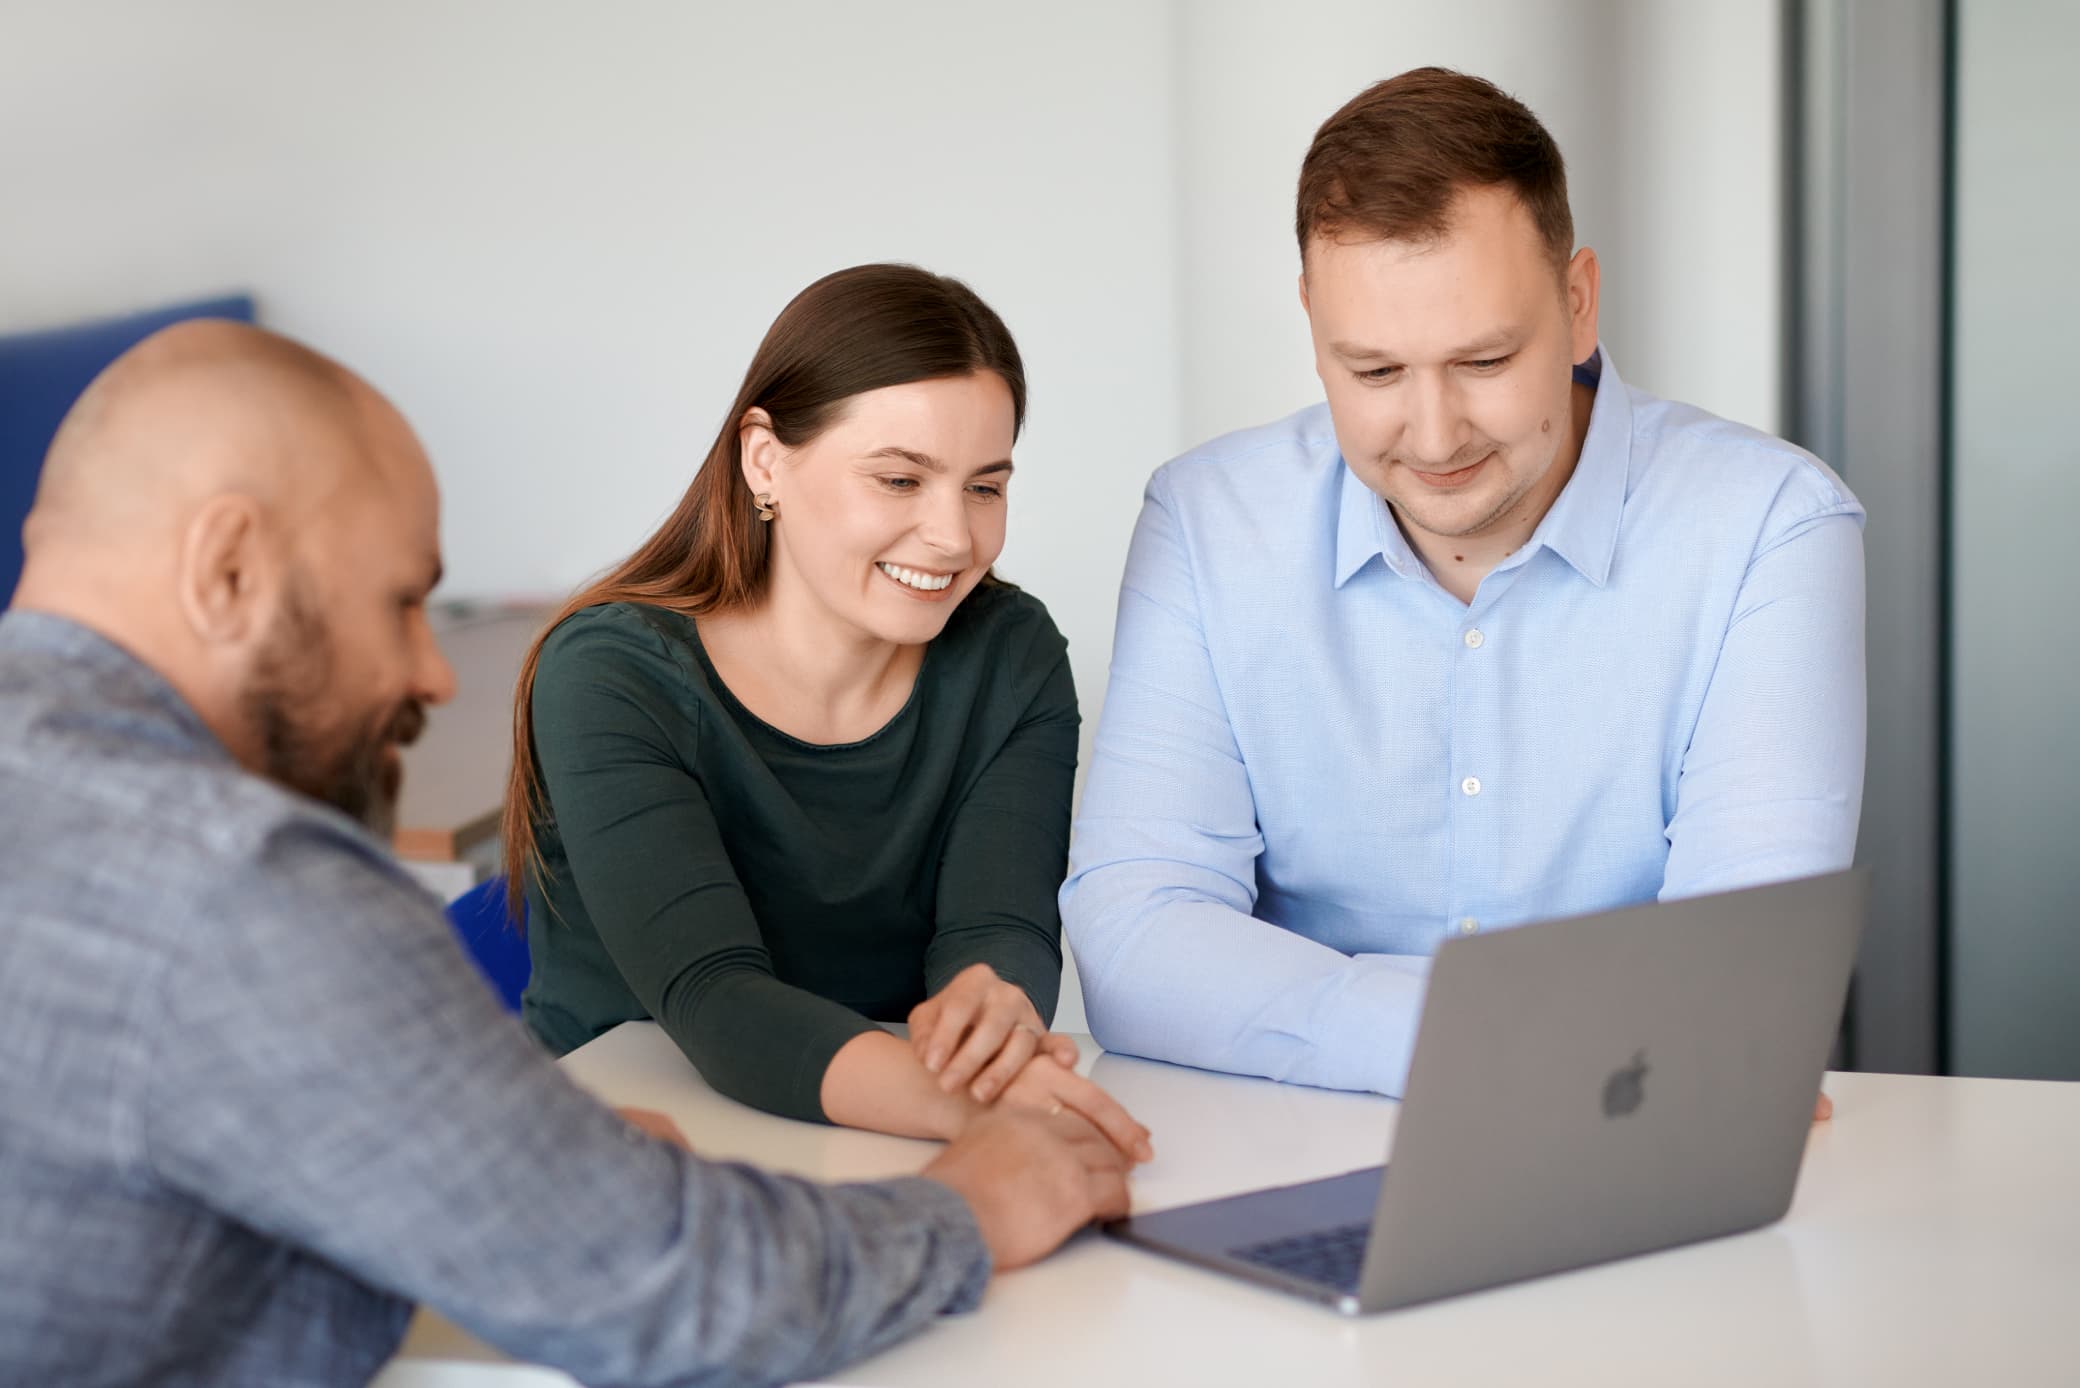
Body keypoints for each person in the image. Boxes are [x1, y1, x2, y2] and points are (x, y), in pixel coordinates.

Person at [0, 320, 1130, 1387]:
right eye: (401, 603)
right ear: (229, 567)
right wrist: (967, 1208)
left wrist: (509, 1162)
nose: (438, 675)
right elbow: (659, 1285)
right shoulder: (240, 885)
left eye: (986, 482)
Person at [1061, 68, 1864, 1117]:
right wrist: (1508, 1040)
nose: (1433, 437)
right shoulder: (1206, 524)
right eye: (1375, 373)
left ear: (1577, 305)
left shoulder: (1770, 526)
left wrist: (1304, 1000)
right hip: (1297, 1148)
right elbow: (1136, 937)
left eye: (1483, 359)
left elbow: (1741, 976)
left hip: (1629, 1148)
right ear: (1310, 321)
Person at [510, 264, 1152, 1158]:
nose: (953, 536)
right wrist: (969, 1112)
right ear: (765, 459)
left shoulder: (1009, 654)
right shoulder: (614, 674)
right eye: (899, 480)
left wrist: (994, 1007)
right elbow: (715, 995)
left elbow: (995, 927)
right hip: (623, 1151)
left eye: (985, 486)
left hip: (866, 1131)